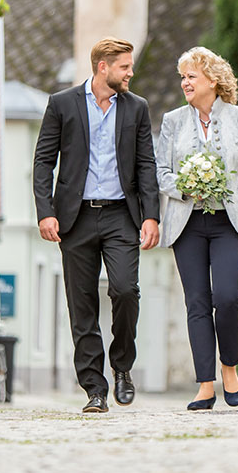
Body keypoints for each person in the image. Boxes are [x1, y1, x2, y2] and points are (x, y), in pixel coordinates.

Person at [32, 37, 161, 414]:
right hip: (75, 218)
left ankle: (122, 365)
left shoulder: (137, 108)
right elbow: (43, 161)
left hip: (122, 214)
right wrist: (45, 211)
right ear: (103, 67)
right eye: (125, 67)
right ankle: (94, 388)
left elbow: (146, 165)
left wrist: (150, 214)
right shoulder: (62, 104)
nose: (130, 73)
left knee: (124, 291)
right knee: (82, 304)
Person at [156, 47, 238, 411]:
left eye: (191, 76)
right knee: (196, 303)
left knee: (227, 298)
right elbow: (161, 171)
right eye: (182, 76)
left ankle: (229, 365)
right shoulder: (173, 121)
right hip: (187, 222)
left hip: (230, 222)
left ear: (212, 80)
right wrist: (184, 187)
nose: (184, 83)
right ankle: (205, 384)